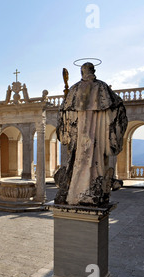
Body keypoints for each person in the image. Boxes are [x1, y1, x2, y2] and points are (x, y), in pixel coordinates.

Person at [54, 62, 128, 206]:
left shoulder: (74, 89)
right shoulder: (102, 87)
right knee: (96, 159)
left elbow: (64, 112)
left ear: (82, 72)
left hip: (80, 133)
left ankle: (75, 191)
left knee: (78, 159)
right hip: (97, 134)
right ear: (93, 71)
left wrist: (67, 105)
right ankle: (92, 189)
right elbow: (117, 105)